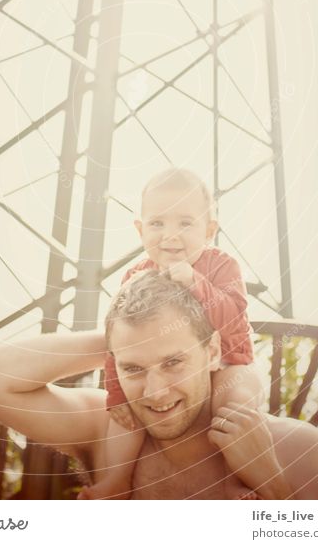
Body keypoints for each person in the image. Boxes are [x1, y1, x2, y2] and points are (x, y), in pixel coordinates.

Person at [0, 271, 318, 500]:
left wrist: (274, 486)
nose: (156, 392)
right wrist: (117, 337)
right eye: (134, 368)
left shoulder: (296, 449)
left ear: (212, 351)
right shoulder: (109, 431)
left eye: (173, 362)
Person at [97, 167, 263, 498]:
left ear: (209, 230)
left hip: (230, 363)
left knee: (236, 408)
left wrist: (197, 284)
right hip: (167, 370)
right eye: (157, 223)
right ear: (140, 230)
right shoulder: (135, 275)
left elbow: (233, 318)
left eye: (185, 223)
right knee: (122, 417)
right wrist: (116, 393)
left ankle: (238, 480)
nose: (170, 235)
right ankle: (114, 481)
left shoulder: (222, 265)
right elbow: (118, 342)